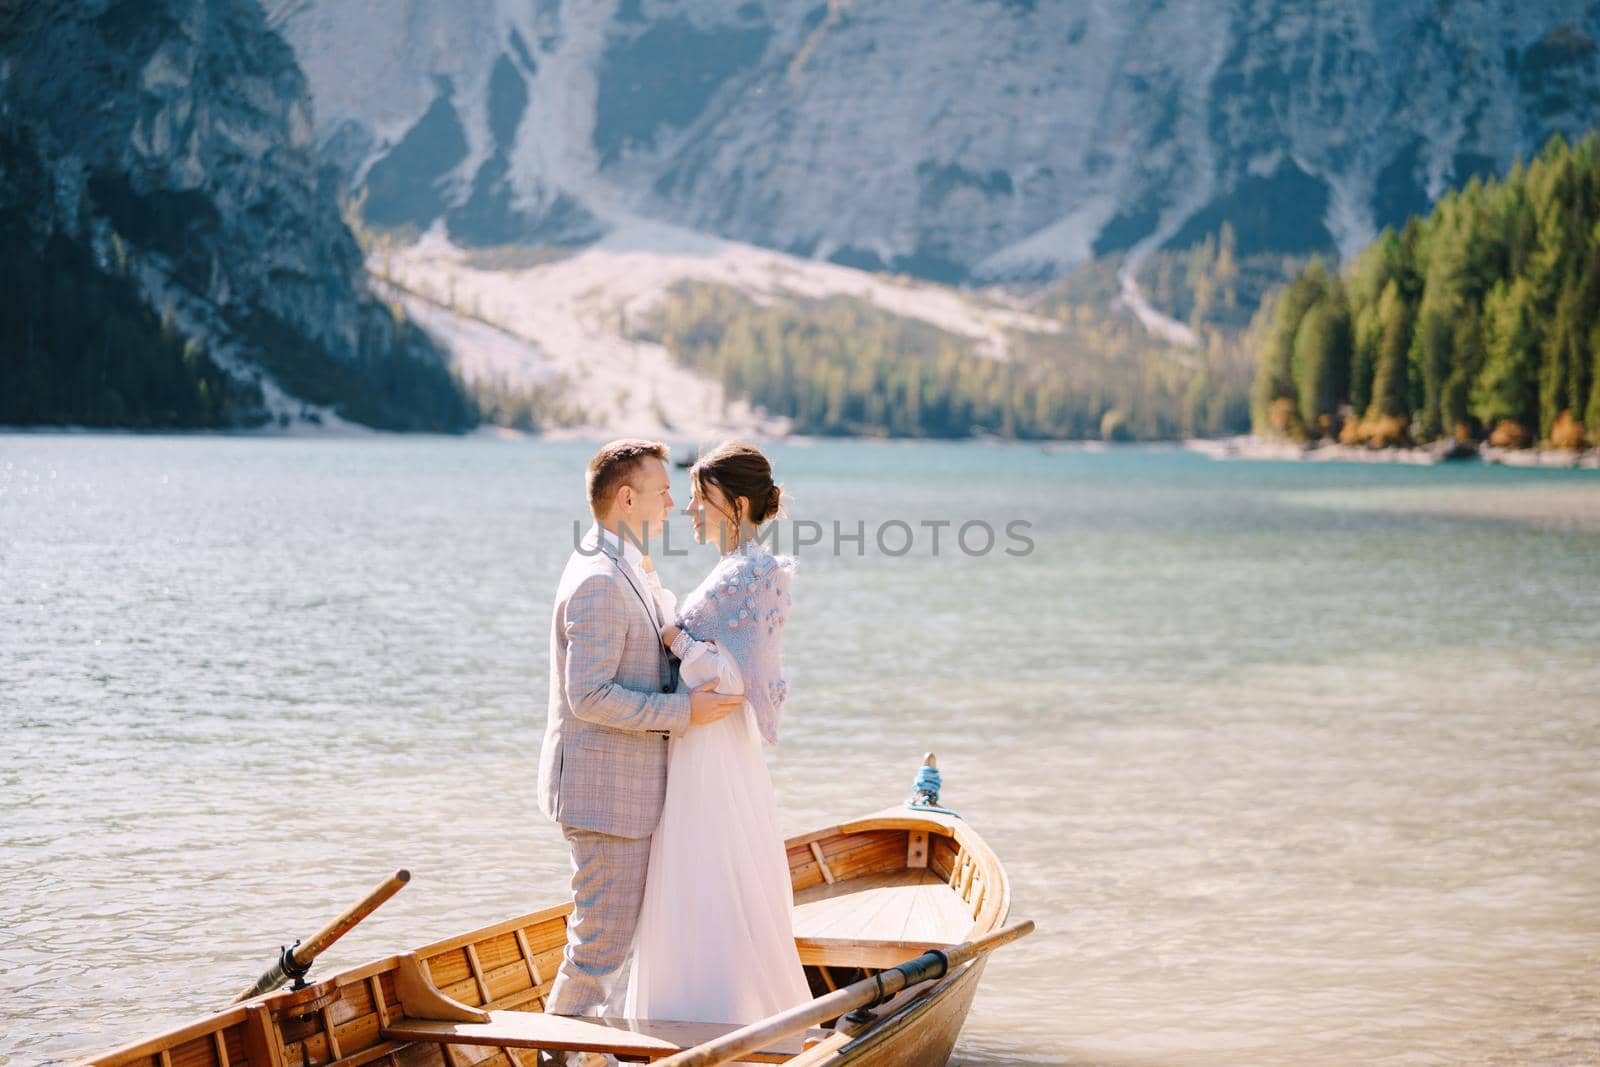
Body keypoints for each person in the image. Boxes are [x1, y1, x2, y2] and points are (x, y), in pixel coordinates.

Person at [537, 439, 746, 1019]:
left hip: (625, 791)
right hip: (604, 795)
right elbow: (590, 696)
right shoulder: (600, 579)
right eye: (662, 491)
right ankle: (561, 1055)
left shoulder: (624, 564)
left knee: (614, 941)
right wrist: (687, 713)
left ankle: (591, 1050)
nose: (674, 504)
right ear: (627, 498)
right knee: (599, 946)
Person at [624, 441, 812, 1024]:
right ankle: (714, 1006)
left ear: (732, 503)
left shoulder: (747, 573)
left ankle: (705, 1013)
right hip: (712, 742)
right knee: (712, 863)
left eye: (698, 499)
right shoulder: (746, 570)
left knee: (703, 863)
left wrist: (671, 633)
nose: (688, 512)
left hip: (709, 742)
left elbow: (726, 676)